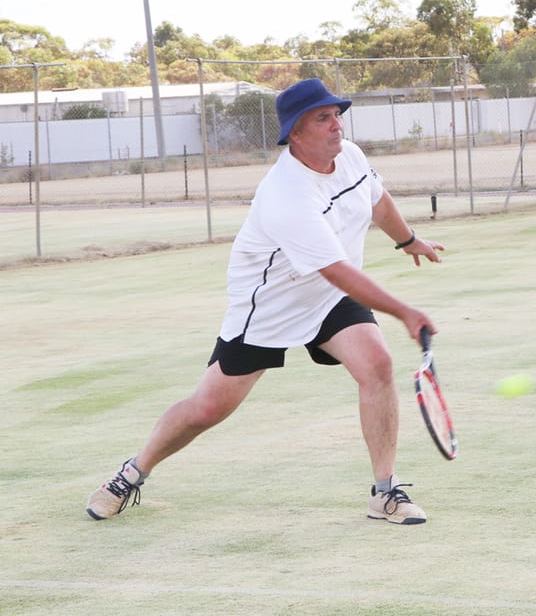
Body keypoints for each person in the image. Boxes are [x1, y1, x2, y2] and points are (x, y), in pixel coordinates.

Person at [86, 78, 444, 525]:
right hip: (269, 307)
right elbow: (338, 269)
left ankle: (384, 492)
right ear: (296, 132)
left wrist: (408, 239)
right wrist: (404, 311)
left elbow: (377, 201)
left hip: (330, 298)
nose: (337, 125)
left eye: (337, 114)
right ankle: (132, 472)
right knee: (207, 409)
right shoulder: (286, 194)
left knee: (376, 363)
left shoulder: (349, 156)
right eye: (323, 118)